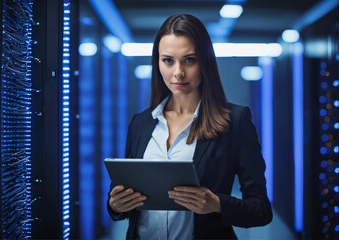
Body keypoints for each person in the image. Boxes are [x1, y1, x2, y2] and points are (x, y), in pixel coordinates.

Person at [107, 13, 273, 239]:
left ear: (205, 62)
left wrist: (216, 204)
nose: (178, 73)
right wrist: (116, 205)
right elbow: (125, 199)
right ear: (157, 63)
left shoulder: (235, 121)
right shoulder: (140, 123)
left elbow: (261, 210)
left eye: (189, 60)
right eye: (168, 60)